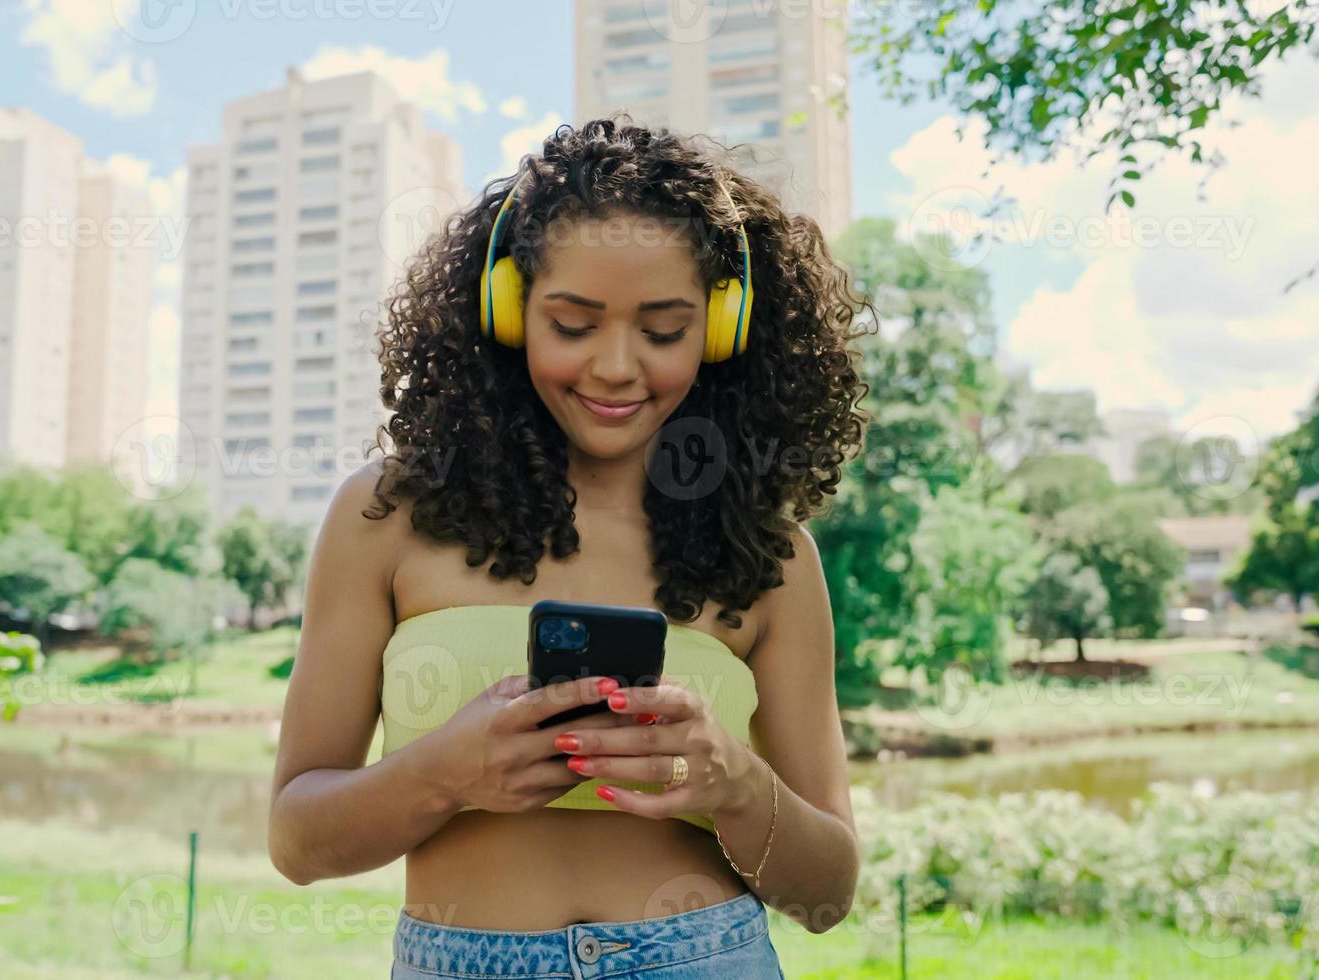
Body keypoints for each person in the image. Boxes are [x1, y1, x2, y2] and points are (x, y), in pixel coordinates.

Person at [269, 115, 872, 978]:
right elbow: (297, 843)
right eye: (573, 323)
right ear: (507, 312)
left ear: (725, 325)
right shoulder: (389, 516)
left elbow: (829, 891)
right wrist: (446, 774)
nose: (618, 367)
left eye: (664, 330)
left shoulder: (772, 558)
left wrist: (735, 784)